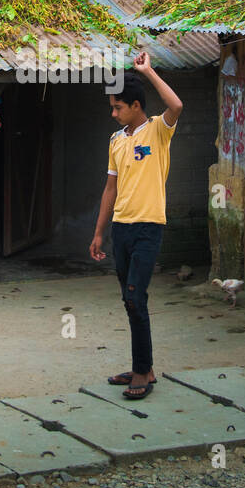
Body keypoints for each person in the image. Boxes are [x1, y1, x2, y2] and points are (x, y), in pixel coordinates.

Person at [89, 51, 182, 401]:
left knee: (135, 298)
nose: (113, 114)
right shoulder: (116, 141)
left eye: (118, 108)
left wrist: (148, 71)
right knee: (129, 301)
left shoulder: (158, 130)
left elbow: (177, 105)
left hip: (148, 228)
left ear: (137, 106)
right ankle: (143, 366)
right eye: (112, 108)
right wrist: (99, 232)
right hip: (121, 229)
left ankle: (143, 372)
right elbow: (109, 189)